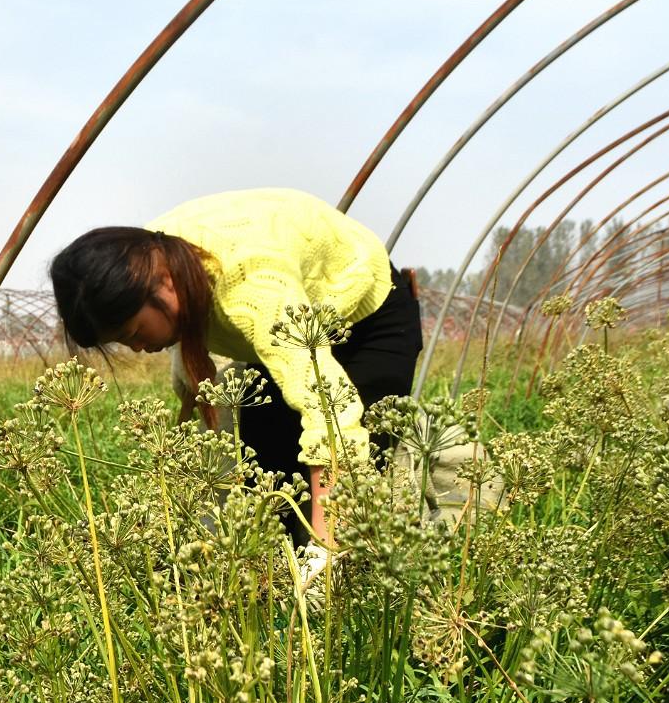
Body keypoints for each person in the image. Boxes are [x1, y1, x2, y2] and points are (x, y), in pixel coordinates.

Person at [49, 188, 423, 543]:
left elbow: (329, 410)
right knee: (267, 478)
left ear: (163, 283)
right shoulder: (149, 257)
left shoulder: (254, 288)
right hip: (288, 323)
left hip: (366, 316)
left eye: (134, 332)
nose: (139, 348)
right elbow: (191, 350)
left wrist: (326, 550)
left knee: (355, 472)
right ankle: (271, 587)